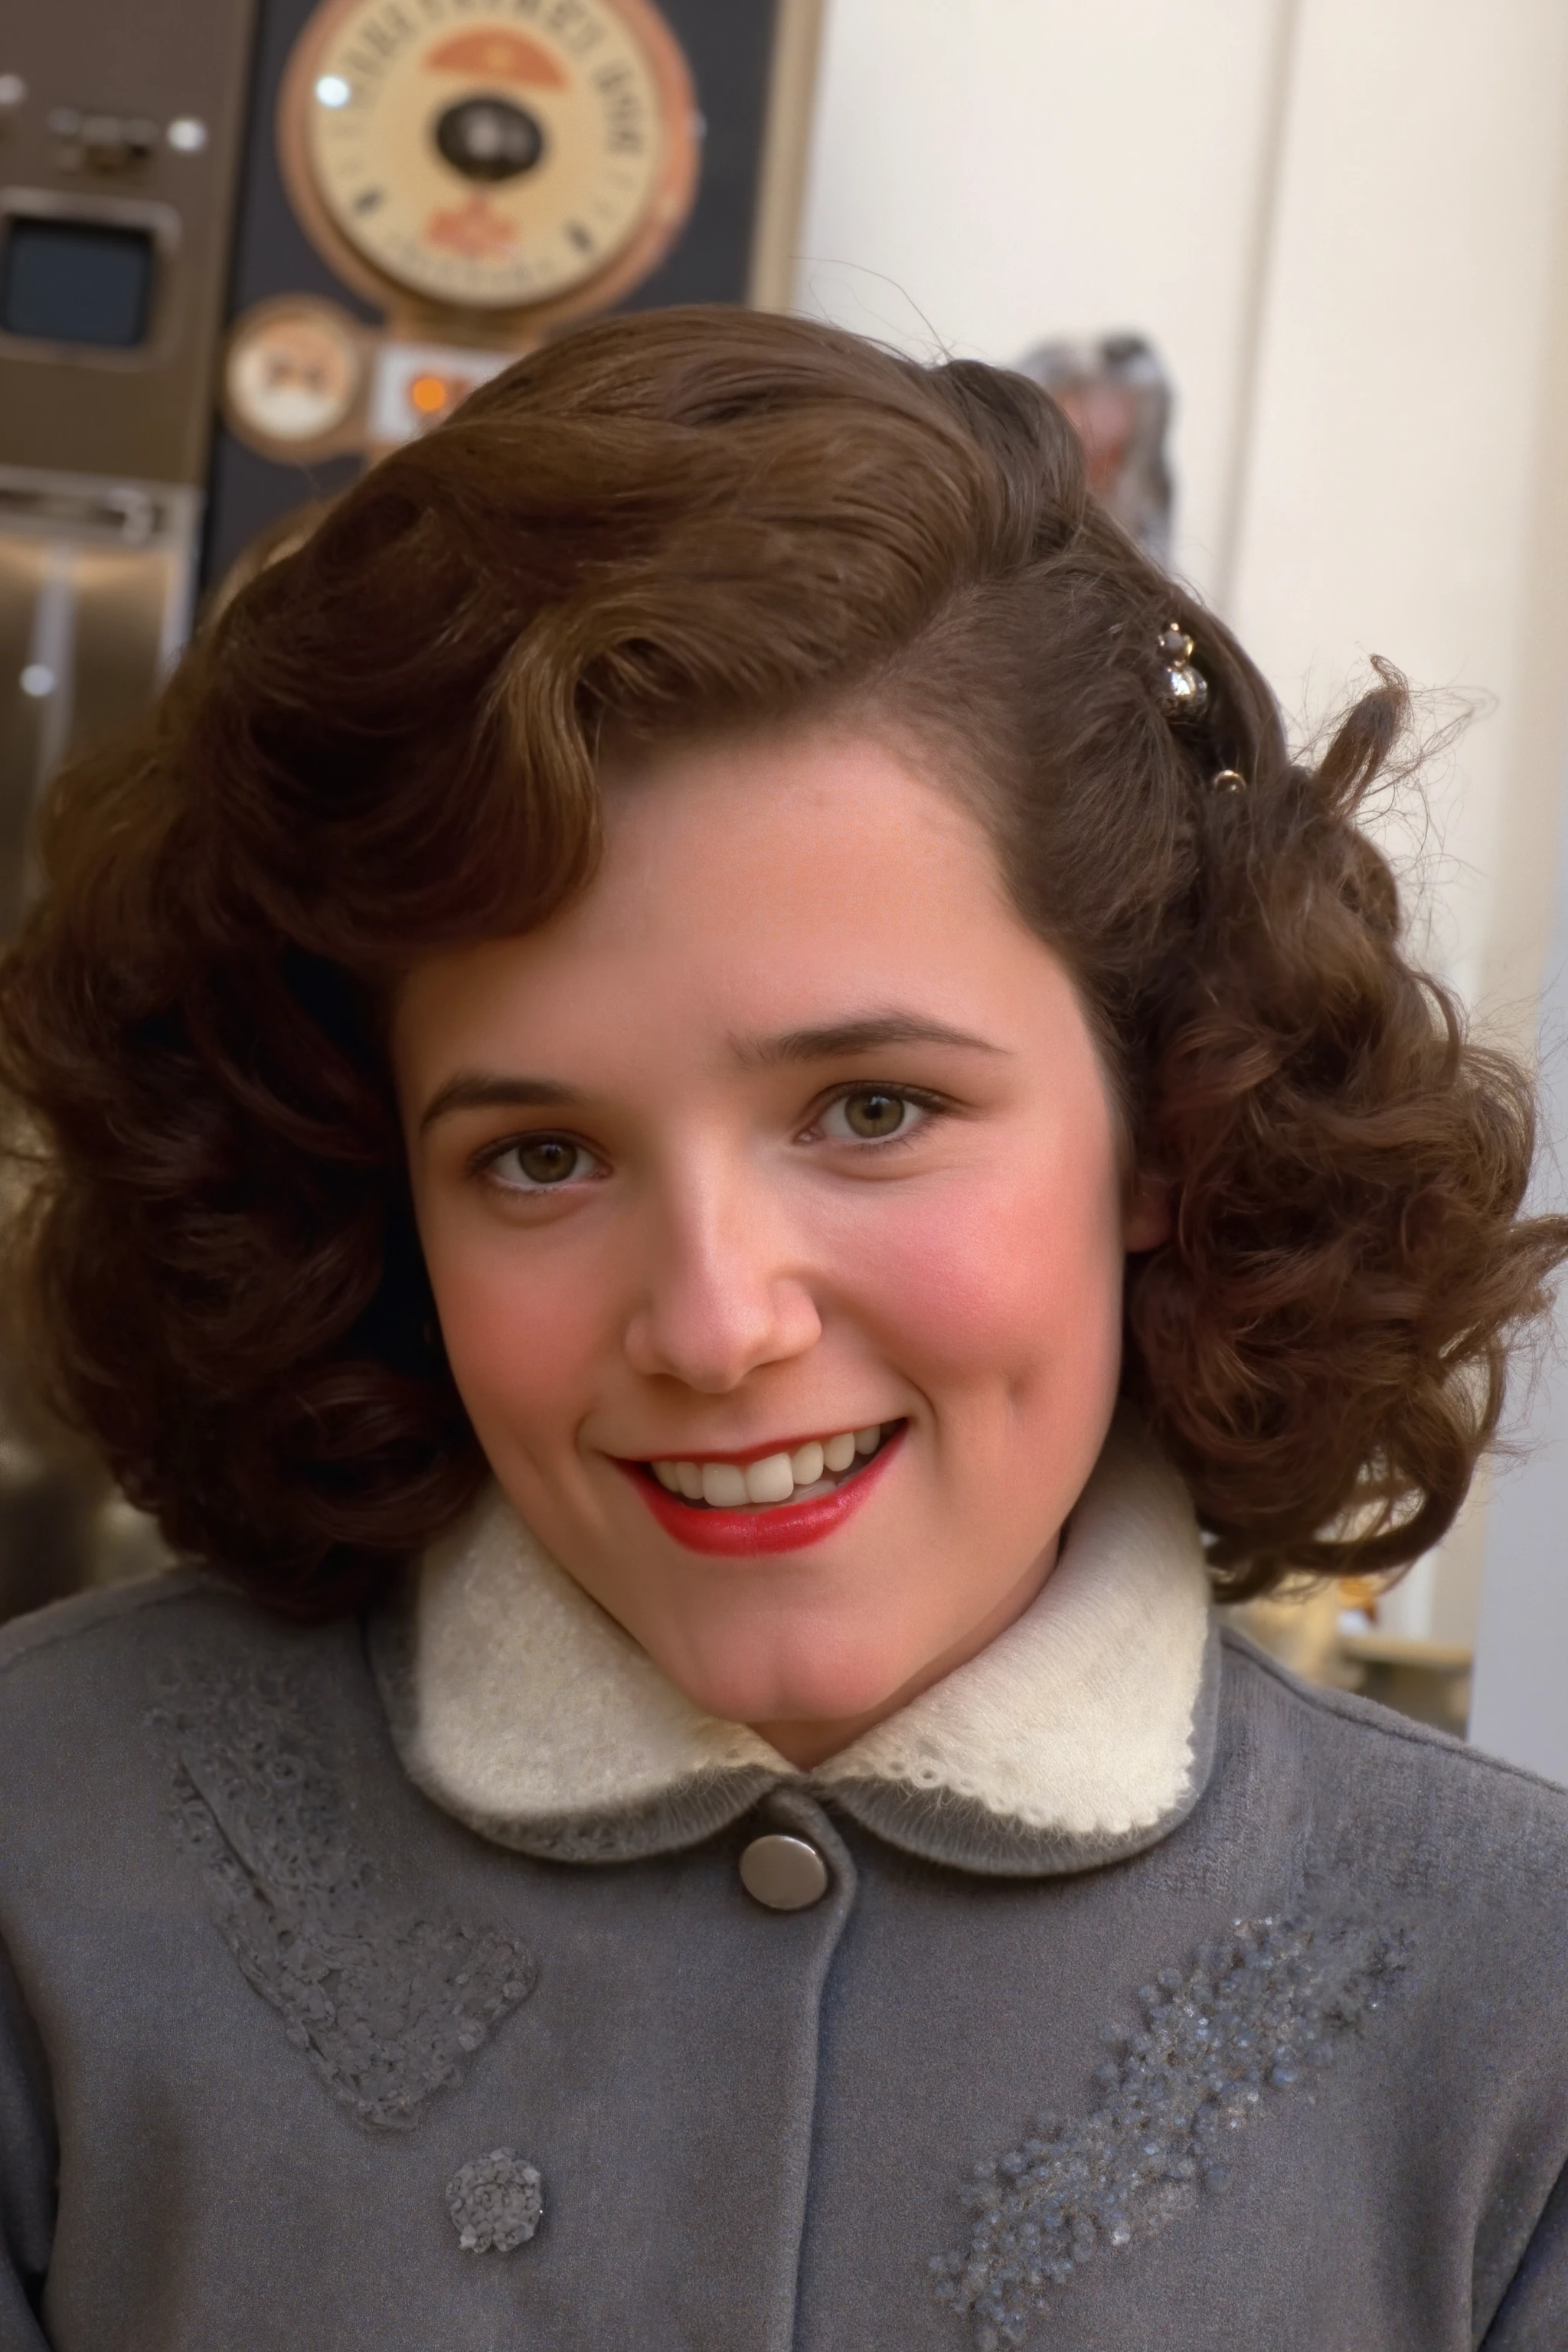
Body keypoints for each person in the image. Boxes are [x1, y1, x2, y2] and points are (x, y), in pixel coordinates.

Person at [0, 307, 1564, 2352]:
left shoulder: (1515, 2003)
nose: (719, 1323)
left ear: (1170, 1123)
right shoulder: (41, 1841)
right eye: (541, 1156)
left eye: (873, 1112)